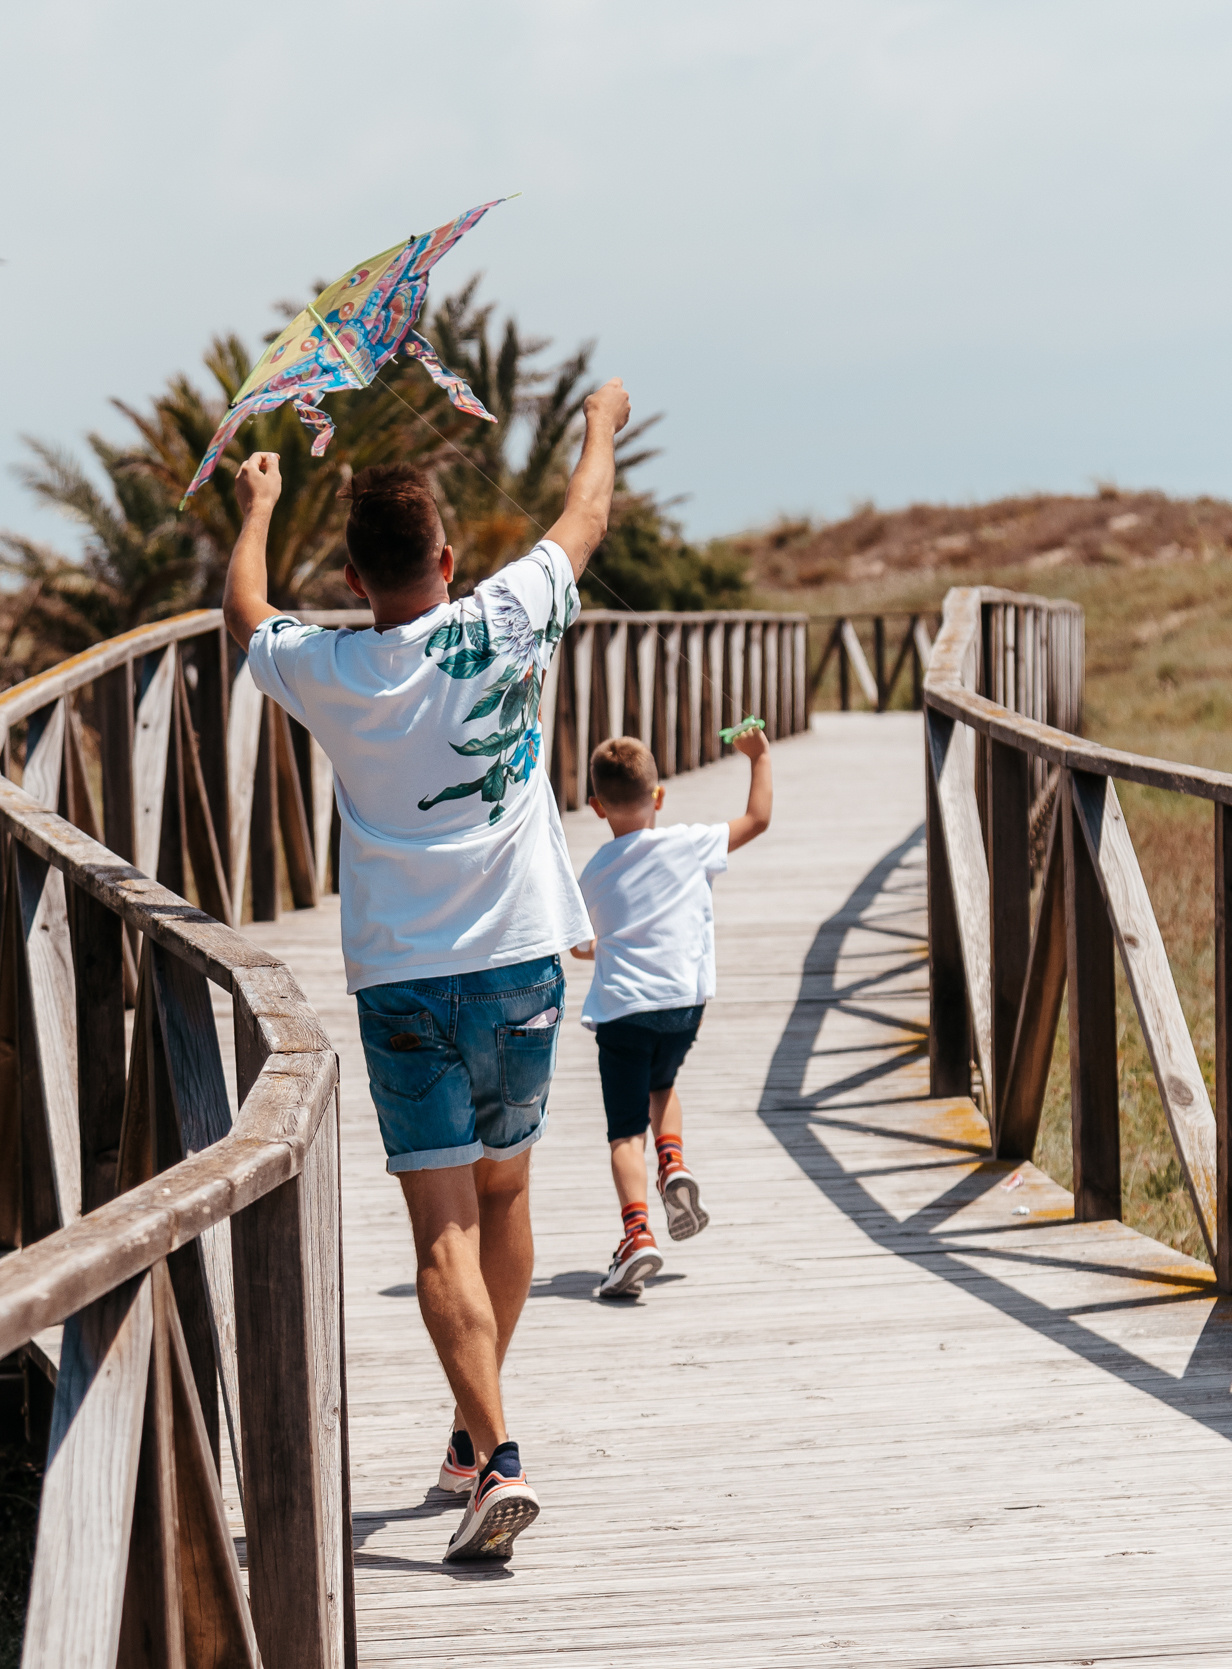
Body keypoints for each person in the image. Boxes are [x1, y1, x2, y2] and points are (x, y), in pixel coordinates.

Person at [222, 375, 632, 1563]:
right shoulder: (509, 615)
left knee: (440, 1230)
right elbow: (585, 519)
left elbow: (246, 614)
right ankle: (479, 1440)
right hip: (519, 961)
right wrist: (598, 423)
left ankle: (489, 1450)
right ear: (448, 556)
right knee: (507, 1202)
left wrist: (257, 502)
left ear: (354, 578)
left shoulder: (330, 669)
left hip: (403, 979)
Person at [569, 723, 774, 1299]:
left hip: (623, 1015)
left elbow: (579, 943)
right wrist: (758, 758)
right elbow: (757, 819)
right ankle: (674, 1163)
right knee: (665, 1085)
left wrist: (597, 945)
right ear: (659, 796)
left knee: (623, 1132)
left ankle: (637, 1235)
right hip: (684, 1007)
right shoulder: (689, 843)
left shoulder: (592, 875)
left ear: (596, 807)